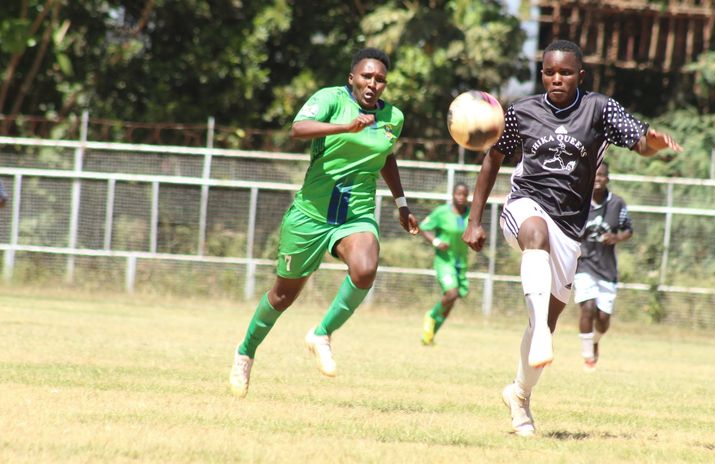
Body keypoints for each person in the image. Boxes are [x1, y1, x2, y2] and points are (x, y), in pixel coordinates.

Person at [462, 39, 682, 436]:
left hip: (569, 230)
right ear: (541, 73)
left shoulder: (598, 109)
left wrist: (656, 144)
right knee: (534, 233)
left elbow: (639, 141)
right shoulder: (521, 113)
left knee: (547, 315)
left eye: (565, 72)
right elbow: (492, 159)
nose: (556, 78)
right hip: (525, 207)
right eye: (549, 72)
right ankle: (542, 334)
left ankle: (519, 396)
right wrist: (474, 220)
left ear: (580, 75)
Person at [229, 48, 419, 398]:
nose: (373, 83)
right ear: (352, 78)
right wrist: (345, 126)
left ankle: (321, 333)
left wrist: (401, 203)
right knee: (283, 295)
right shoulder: (330, 99)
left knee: (365, 268)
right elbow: (298, 129)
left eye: (380, 79)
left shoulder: (393, 117)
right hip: (310, 215)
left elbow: (385, 158)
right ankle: (245, 352)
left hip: (355, 213)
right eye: (366, 76)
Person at [574, 162, 632, 372]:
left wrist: (616, 237)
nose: (597, 178)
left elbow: (629, 230)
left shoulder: (617, 204)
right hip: (584, 264)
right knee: (587, 308)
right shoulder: (580, 201)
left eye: (602, 175)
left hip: (607, 269)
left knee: (603, 320)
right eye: (595, 174)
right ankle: (588, 357)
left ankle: (595, 341)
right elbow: (568, 226)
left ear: (608, 178)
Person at [419, 182, 470, 345]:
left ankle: (430, 335)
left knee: (452, 300)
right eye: (458, 194)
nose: (461, 197)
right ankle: (431, 316)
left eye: (464, 194)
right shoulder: (442, 212)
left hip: (460, 263)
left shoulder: (471, 215)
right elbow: (423, 227)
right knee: (451, 294)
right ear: (453, 195)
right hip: (444, 261)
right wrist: (435, 241)